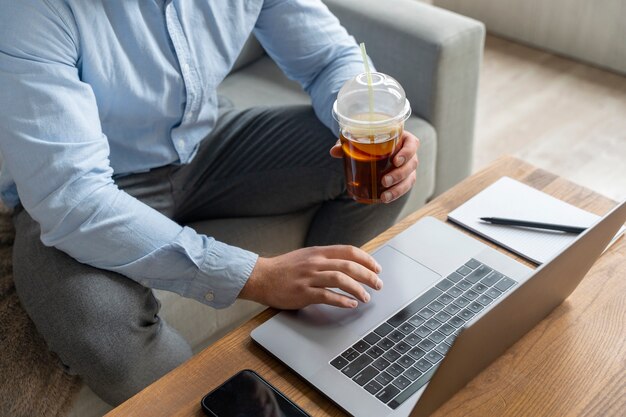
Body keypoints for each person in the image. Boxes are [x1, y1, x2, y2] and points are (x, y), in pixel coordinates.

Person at [0, 0, 419, 406]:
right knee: (101, 327)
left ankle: (317, 330)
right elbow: (72, 198)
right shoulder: (32, 10)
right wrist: (256, 275)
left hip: (205, 146)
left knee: (379, 169)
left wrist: (366, 128)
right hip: (91, 183)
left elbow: (328, 60)